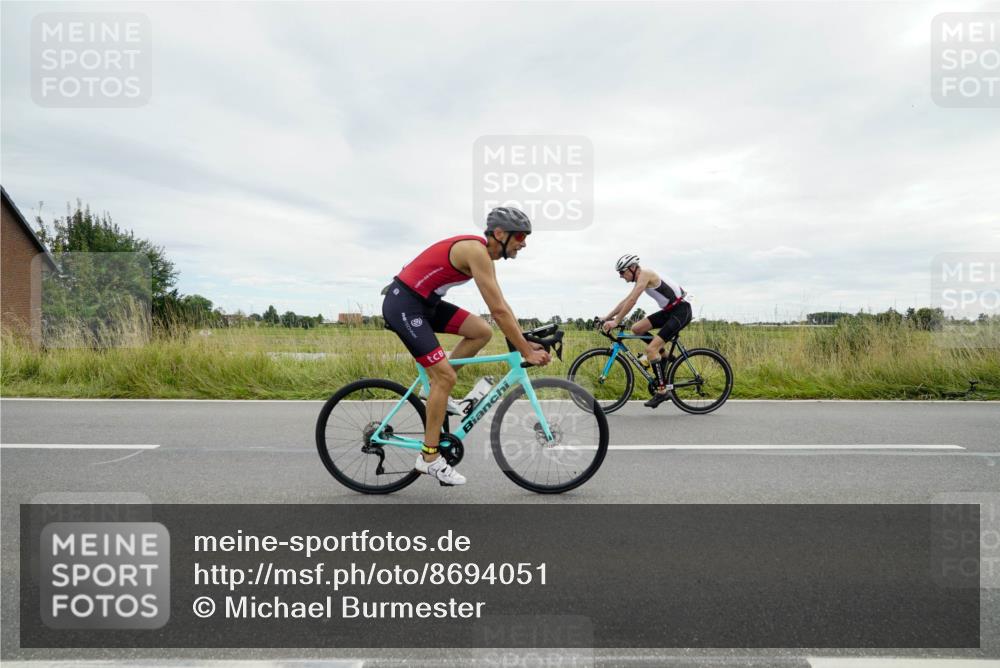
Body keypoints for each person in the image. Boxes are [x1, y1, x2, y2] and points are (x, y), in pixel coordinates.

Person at [381, 207, 551, 485]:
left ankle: (433, 390)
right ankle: (429, 458)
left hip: (424, 304)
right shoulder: (476, 251)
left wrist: (523, 340)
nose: (524, 244)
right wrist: (526, 352)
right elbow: (498, 310)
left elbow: (502, 305)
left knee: (481, 331)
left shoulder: (483, 256)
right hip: (405, 305)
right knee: (446, 377)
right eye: (520, 236)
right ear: (500, 234)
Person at [601, 254, 692, 409]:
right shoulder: (640, 279)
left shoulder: (645, 274)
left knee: (650, 350)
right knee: (636, 328)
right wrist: (607, 317)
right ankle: (664, 357)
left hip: (681, 311)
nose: (621, 276)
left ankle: (662, 392)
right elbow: (626, 300)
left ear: (632, 268)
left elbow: (632, 301)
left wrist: (616, 321)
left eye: (622, 272)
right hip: (670, 311)